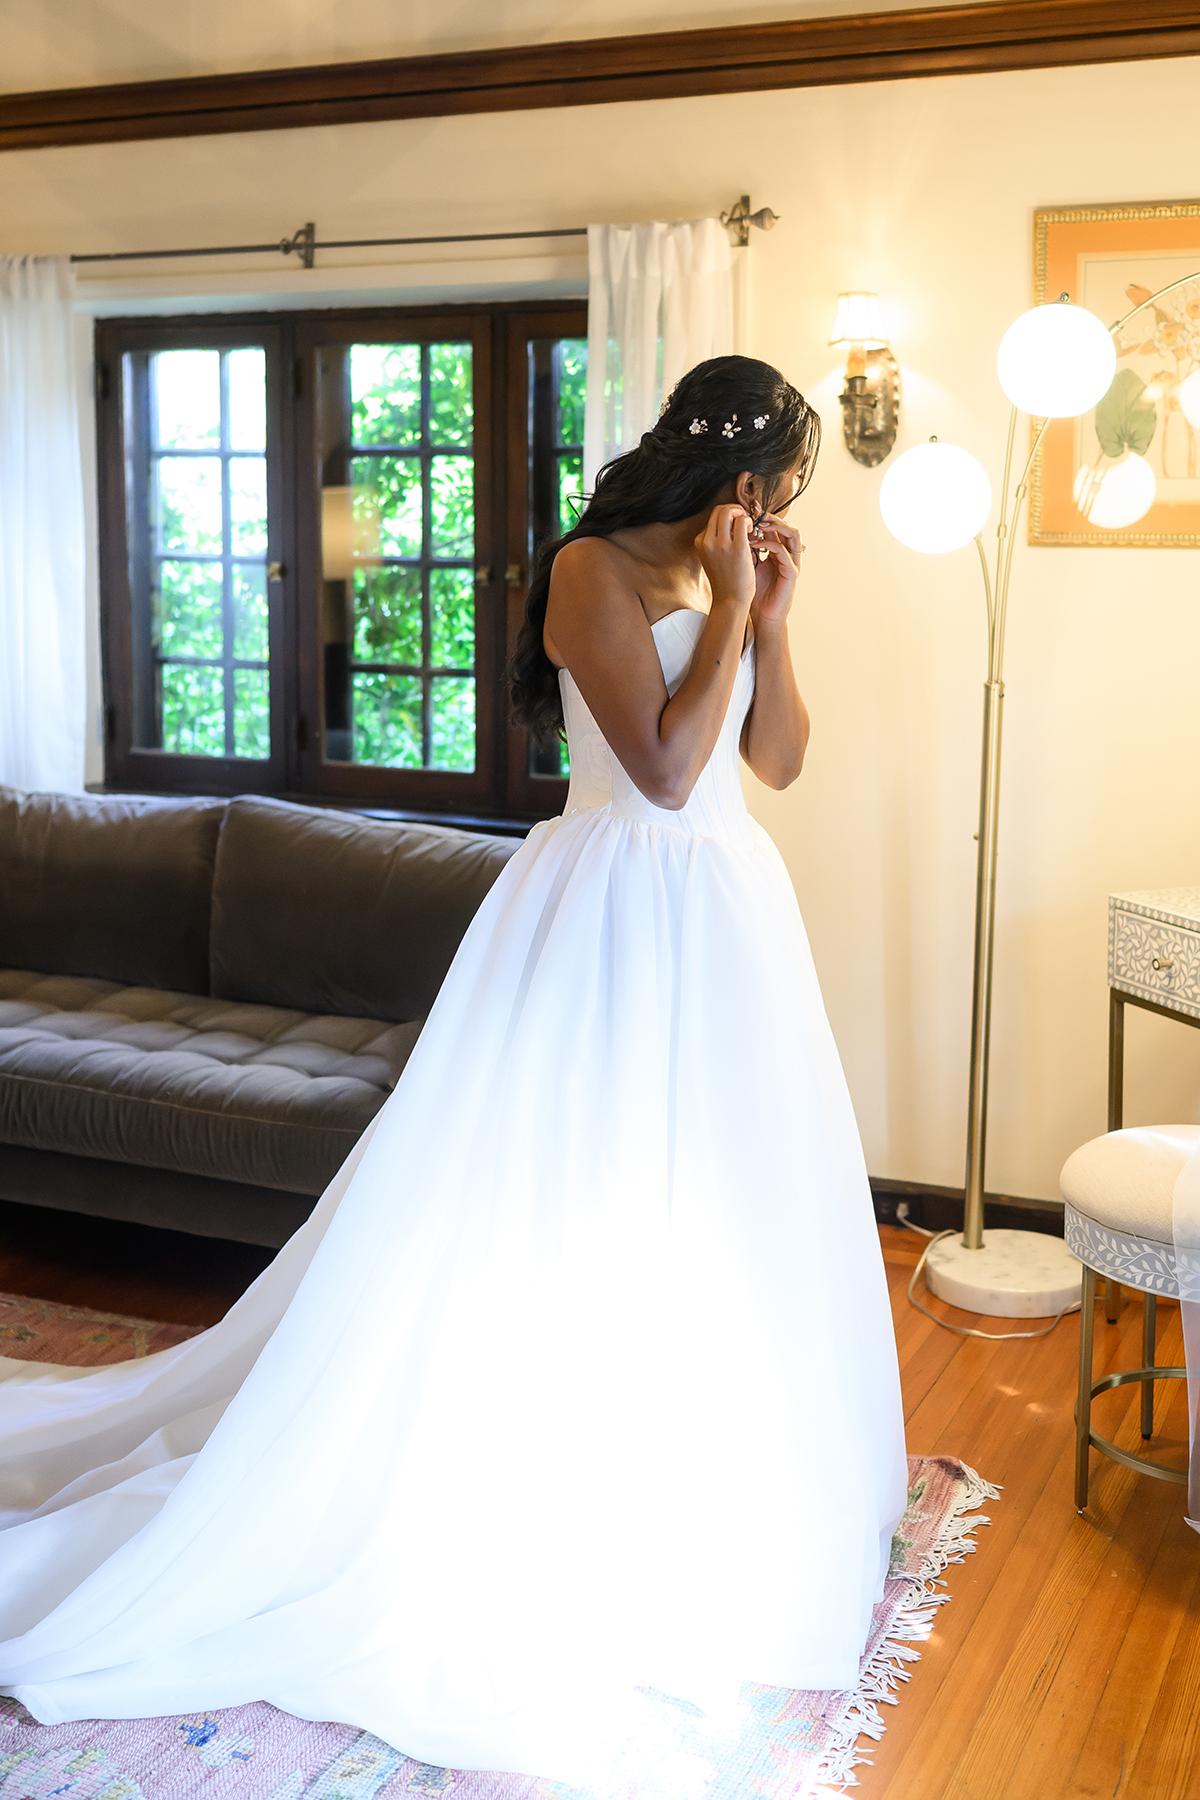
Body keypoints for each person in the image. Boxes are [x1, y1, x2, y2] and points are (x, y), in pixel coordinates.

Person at [0, 353, 910, 1791]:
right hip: (611, 908)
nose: (775, 511)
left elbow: (773, 763)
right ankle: (507, 1479)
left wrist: (776, 623)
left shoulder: (730, 594)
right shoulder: (594, 571)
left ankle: (682, 1489)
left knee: (720, 1218)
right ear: (729, 471)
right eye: (776, 487)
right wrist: (730, 608)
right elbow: (663, 773)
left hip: (729, 920)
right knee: (562, 1205)